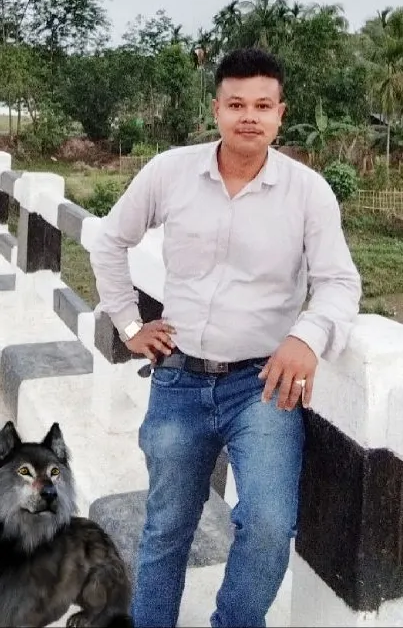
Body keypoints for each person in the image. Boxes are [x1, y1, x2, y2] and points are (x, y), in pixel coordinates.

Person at [90, 47, 361, 628]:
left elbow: (340, 281)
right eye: (236, 104)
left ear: (280, 114)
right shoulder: (170, 171)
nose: (249, 117)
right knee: (167, 524)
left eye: (263, 105)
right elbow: (108, 240)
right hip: (179, 379)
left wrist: (308, 336)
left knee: (267, 523)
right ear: (216, 108)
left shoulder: (308, 192)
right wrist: (130, 324)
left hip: (261, 386)